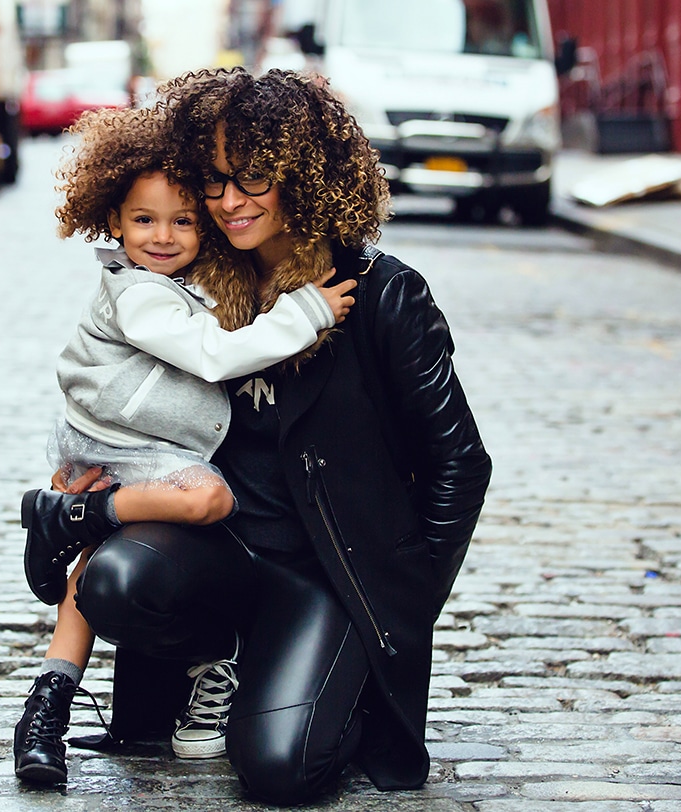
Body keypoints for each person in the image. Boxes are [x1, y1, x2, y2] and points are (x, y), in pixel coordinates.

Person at [64, 67, 493, 806]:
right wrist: (90, 484)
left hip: (326, 575)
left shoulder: (382, 294)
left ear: (304, 174)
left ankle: (326, 680)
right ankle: (220, 661)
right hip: (223, 551)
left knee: (279, 771)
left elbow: (460, 462)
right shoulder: (194, 282)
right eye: (215, 180)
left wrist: (401, 605)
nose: (229, 202)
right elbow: (123, 397)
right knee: (116, 582)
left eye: (253, 179)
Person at [13, 103, 357, 788]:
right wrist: (308, 312)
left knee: (92, 559)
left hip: (125, 440)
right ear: (113, 221)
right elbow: (211, 355)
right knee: (208, 497)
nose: (164, 236)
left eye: (182, 220)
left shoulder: (184, 281)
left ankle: (46, 696)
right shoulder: (138, 294)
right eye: (144, 221)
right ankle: (83, 519)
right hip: (126, 440)